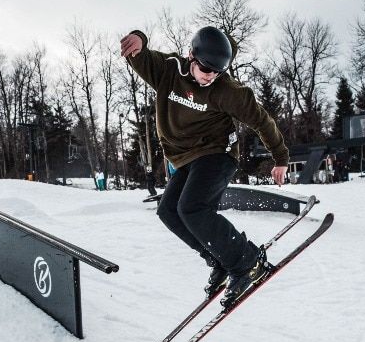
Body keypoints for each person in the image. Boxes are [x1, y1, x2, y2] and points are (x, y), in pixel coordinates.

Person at [120, 26, 289, 309]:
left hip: (217, 154)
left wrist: (280, 158)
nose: (209, 76)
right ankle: (218, 260)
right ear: (191, 57)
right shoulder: (169, 70)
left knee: (192, 208)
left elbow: (261, 120)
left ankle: (247, 262)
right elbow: (140, 54)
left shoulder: (228, 91)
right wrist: (139, 39)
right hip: (185, 158)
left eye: (216, 72)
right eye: (204, 69)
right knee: (168, 211)